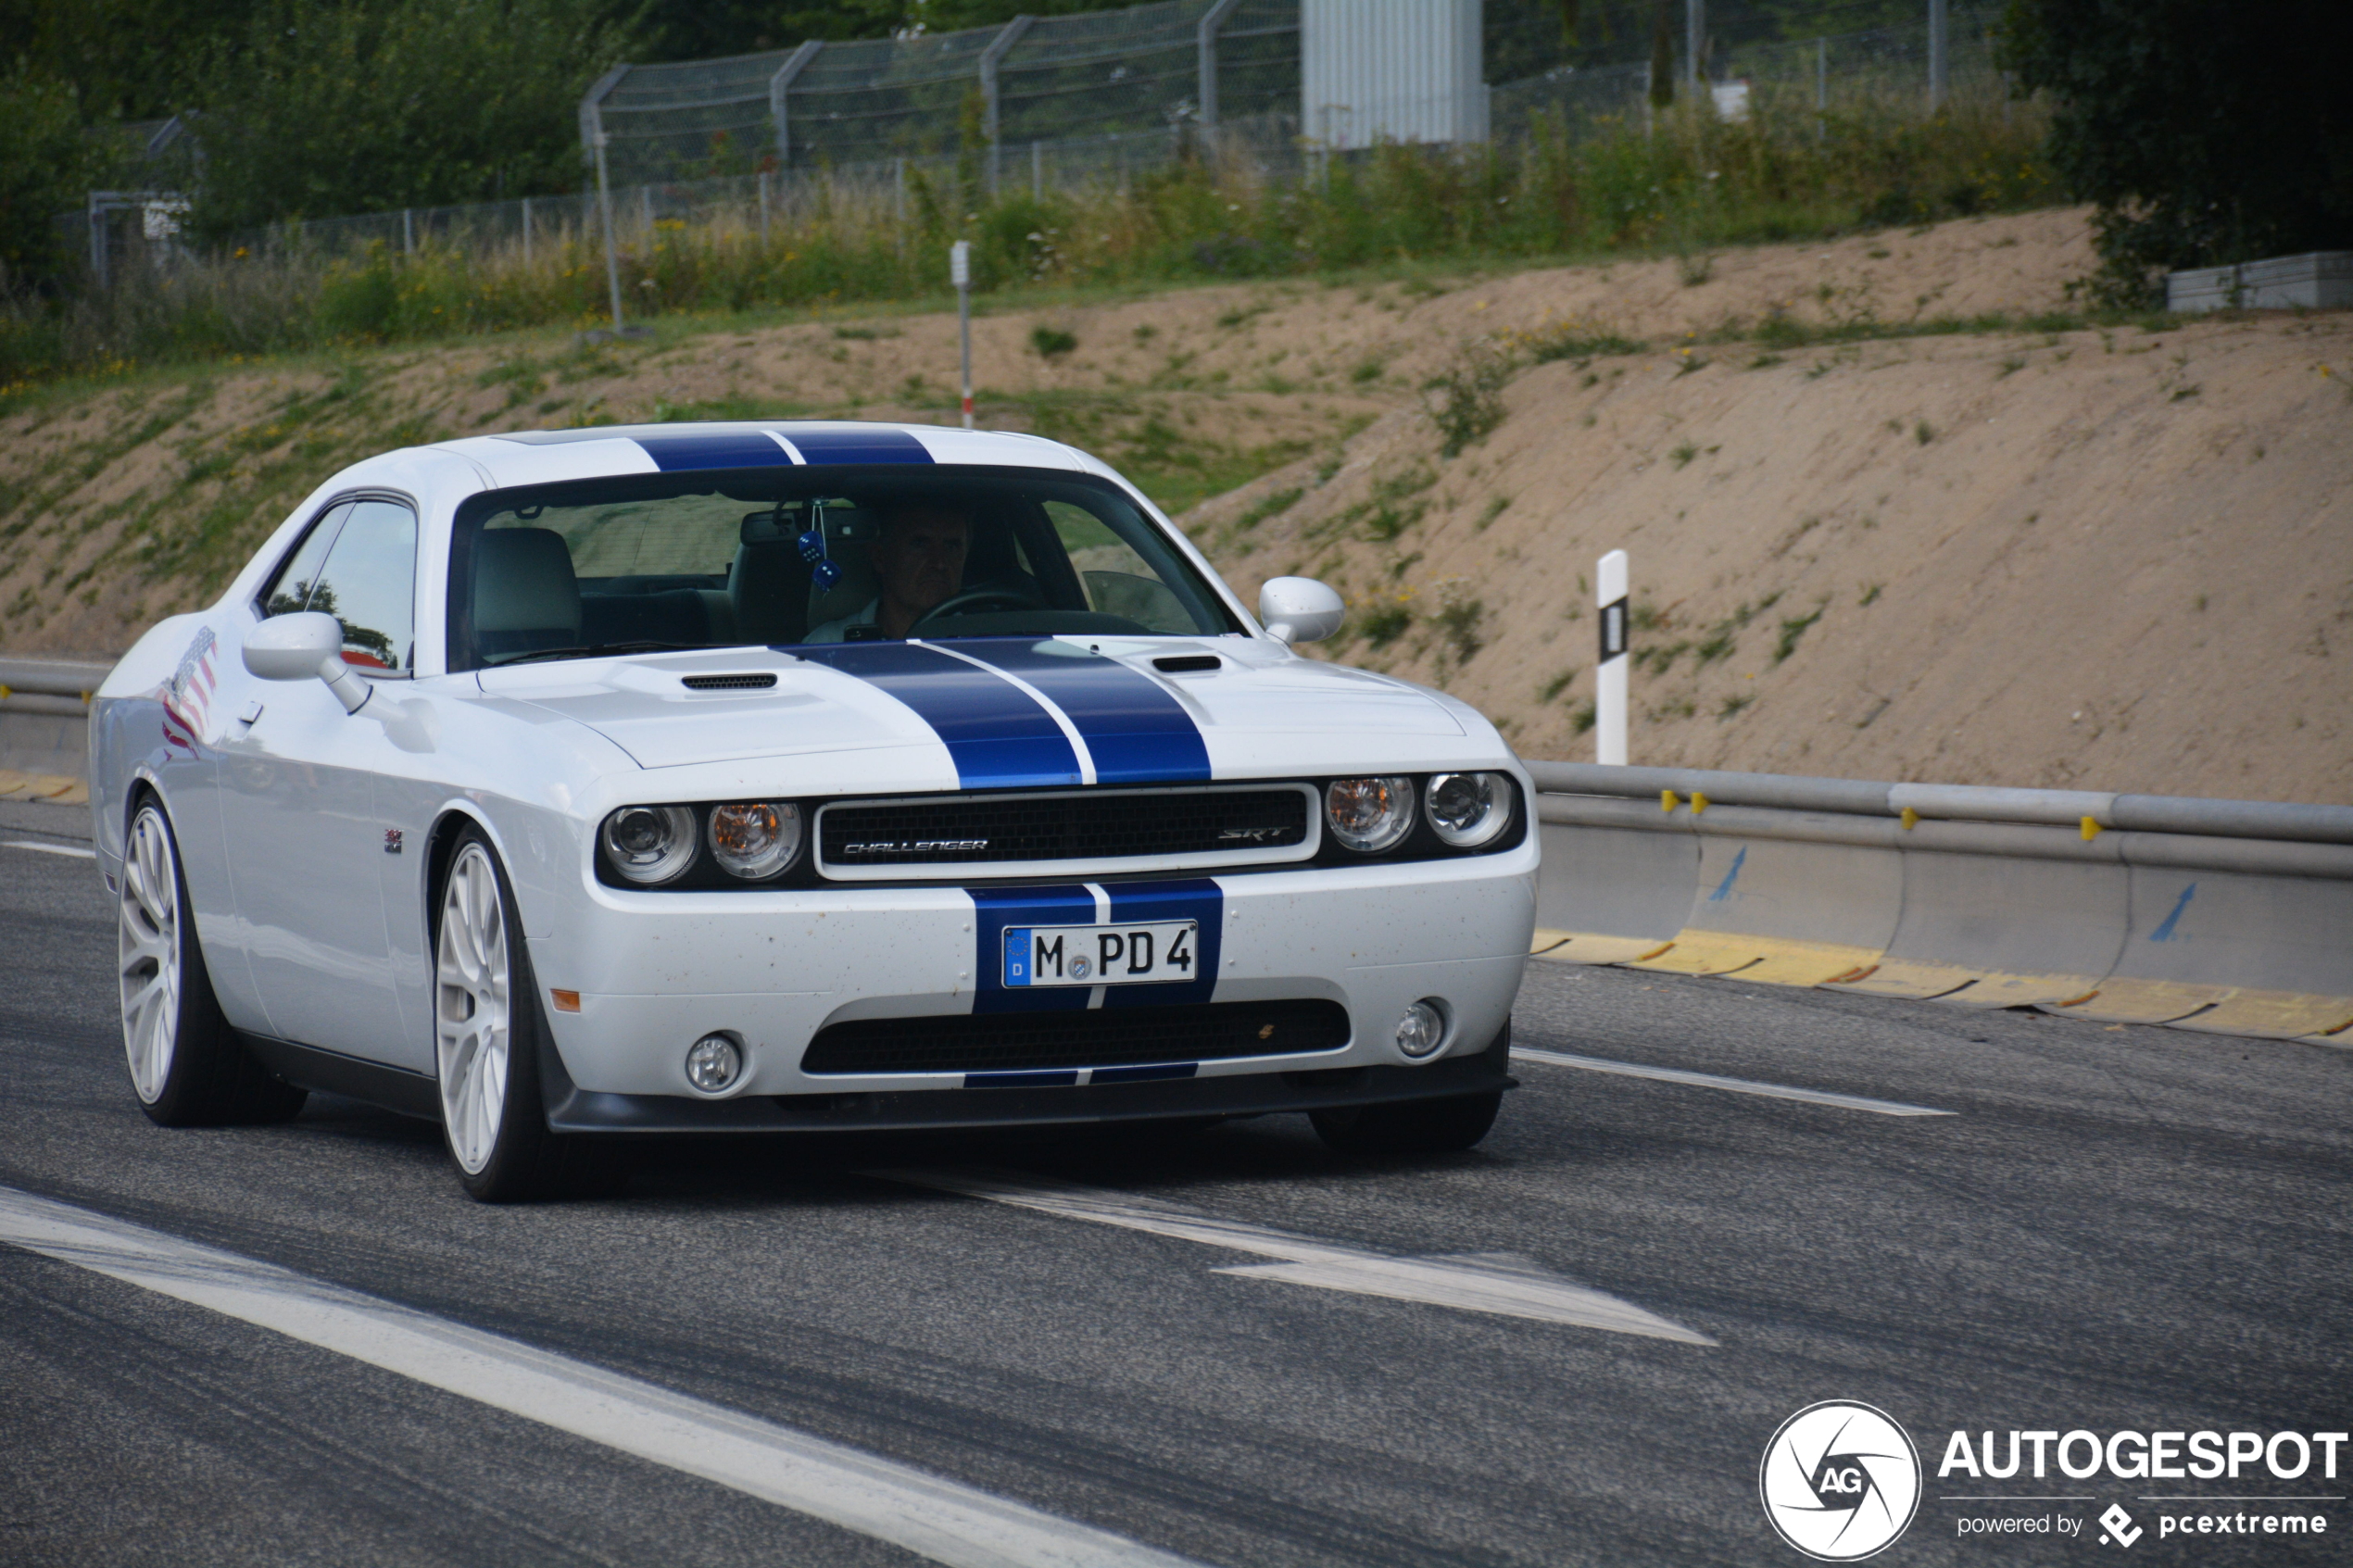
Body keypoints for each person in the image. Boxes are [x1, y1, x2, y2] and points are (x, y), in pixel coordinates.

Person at [804, 502, 970, 642]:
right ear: (880, 557)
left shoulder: (984, 636)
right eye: (920, 544)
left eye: (952, 547)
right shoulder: (831, 643)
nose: (940, 563)